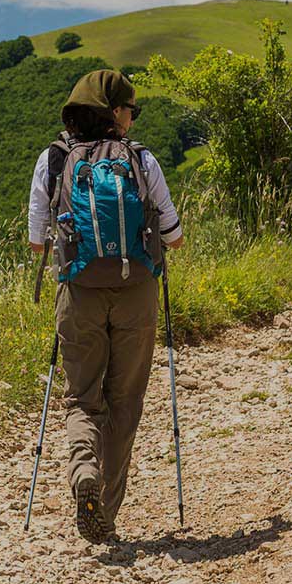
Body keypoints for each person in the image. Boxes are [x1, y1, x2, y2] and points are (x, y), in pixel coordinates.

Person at [28, 68, 183, 543]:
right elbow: (174, 236)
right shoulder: (141, 159)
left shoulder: (54, 159)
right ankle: (107, 514)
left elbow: (37, 241)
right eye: (131, 109)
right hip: (136, 293)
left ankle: (83, 472)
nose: (133, 118)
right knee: (125, 402)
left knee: (82, 398)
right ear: (114, 112)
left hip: (79, 294)